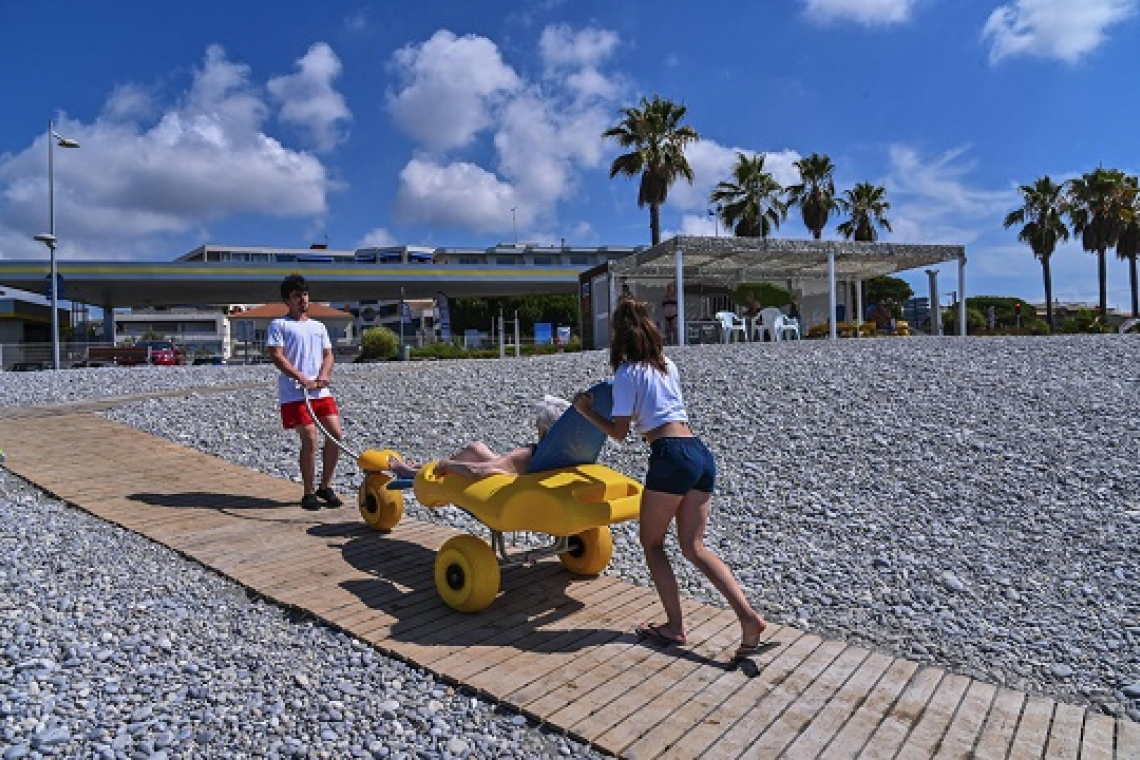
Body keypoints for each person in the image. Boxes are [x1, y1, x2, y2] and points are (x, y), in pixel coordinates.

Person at [572, 298, 766, 662]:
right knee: (694, 547)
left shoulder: (627, 374)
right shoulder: (668, 366)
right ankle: (748, 618)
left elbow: (618, 432)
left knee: (652, 543)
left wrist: (584, 411)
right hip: (699, 452)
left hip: (671, 456)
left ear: (618, 336)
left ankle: (675, 626)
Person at [267, 274, 344, 511]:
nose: (302, 299)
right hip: (295, 394)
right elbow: (277, 356)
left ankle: (325, 486)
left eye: (305, 294)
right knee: (309, 438)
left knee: (336, 436)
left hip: (320, 392)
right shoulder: (279, 325)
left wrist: (323, 375)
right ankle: (308, 492)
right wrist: (301, 378)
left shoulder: (318, 326)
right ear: (287, 300)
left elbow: (328, 355)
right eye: (297, 295)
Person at [389, 396, 571, 480]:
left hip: (505, 486)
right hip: (525, 477)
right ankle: (423, 467)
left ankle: (411, 473)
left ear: (544, 429)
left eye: (537, 423)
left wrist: (446, 465)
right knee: (476, 448)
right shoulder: (567, 452)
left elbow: (480, 472)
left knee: (453, 464)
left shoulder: (528, 455)